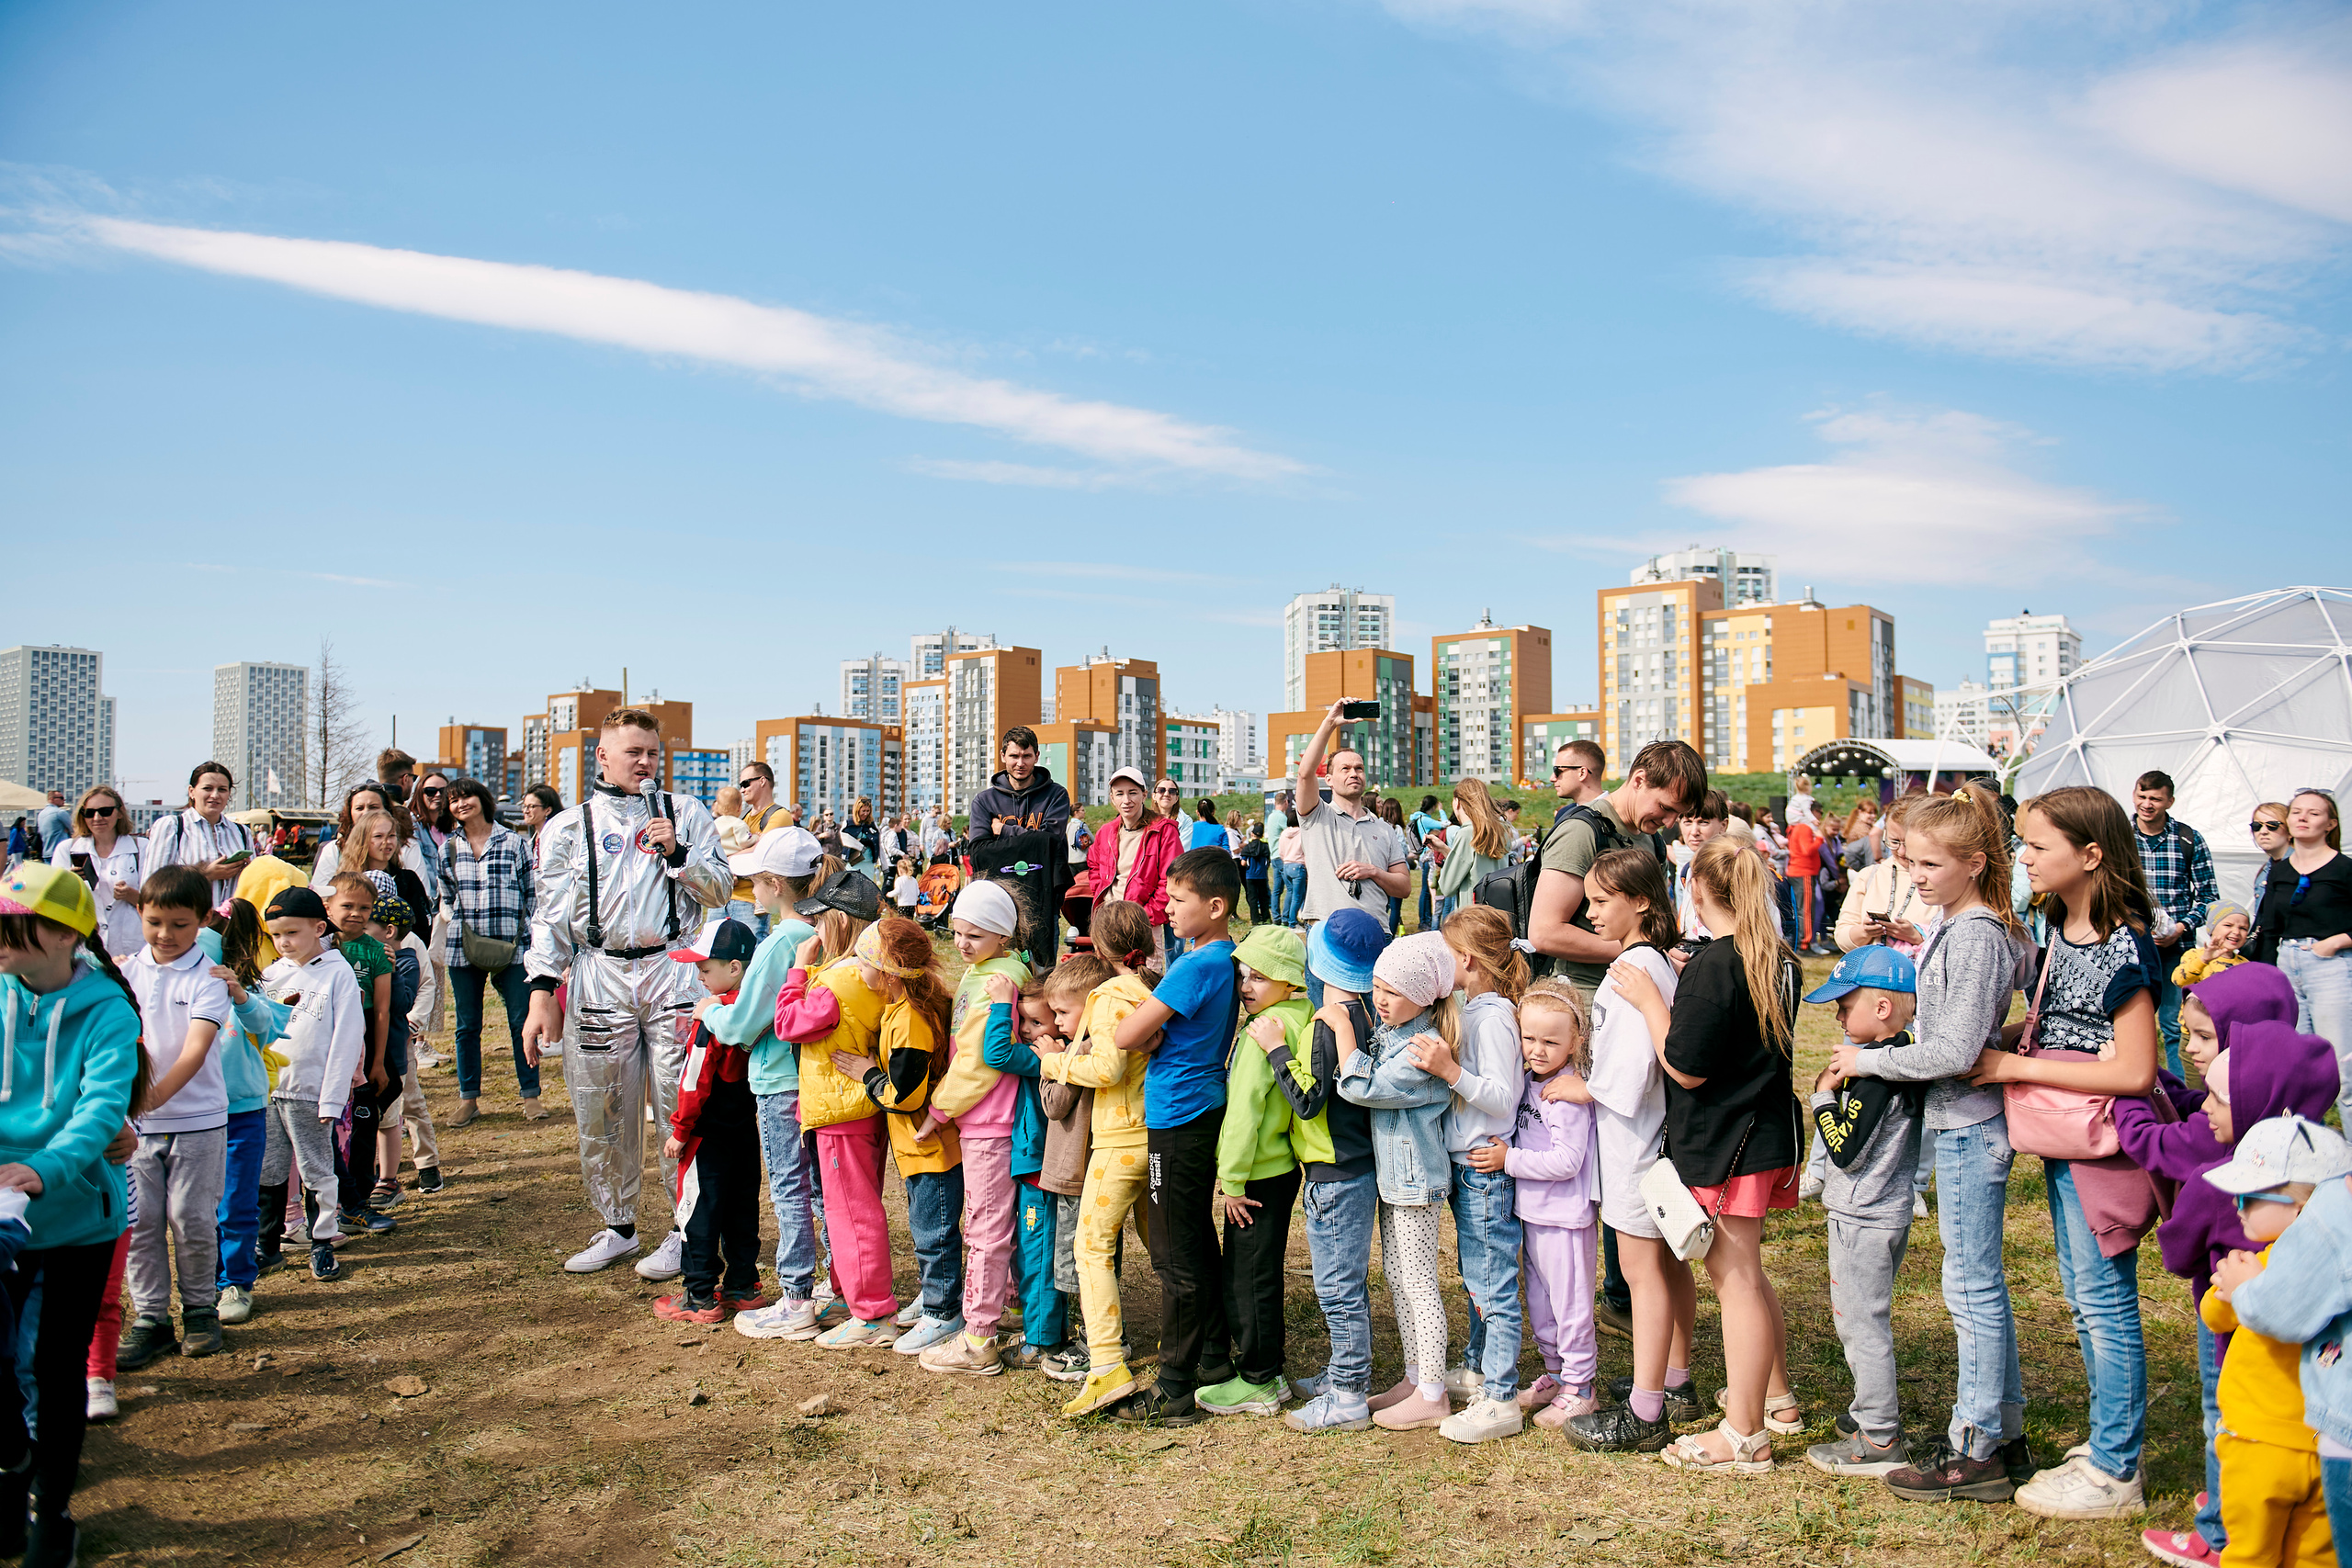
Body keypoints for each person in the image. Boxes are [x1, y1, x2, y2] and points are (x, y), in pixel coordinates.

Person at [1965, 785, 2162, 1519]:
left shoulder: (2122, 940)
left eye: (2038, 845)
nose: (2025, 857)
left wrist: (2015, 1065)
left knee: (2104, 1303)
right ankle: (2110, 1443)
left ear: (2090, 854)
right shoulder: (2063, 925)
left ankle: (2115, 1469)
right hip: (2064, 1134)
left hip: (2097, 1144)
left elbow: (2133, 1070)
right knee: (2084, 1300)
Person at [1839, 786, 2037, 1506]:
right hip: (1961, 1122)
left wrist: (1873, 1060)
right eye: (1907, 859)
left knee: (1971, 1286)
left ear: (1975, 862)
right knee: (1975, 1281)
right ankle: (2001, 1429)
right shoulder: (1964, 926)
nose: (1915, 875)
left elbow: (1953, 1047)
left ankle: (1976, 1442)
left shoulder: (1978, 931)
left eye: (1928, 863)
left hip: (1967, 1124)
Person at [1607, 834, 1804, 1473]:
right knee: (1749, 1271)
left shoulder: (1718, 965)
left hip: (1725, 1145)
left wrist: (1651, 1002)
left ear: (1696, 889)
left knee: (1736, 1279)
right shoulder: (1775, 957)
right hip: (1766, 1134)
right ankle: (1775, 1400)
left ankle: (1743, 1432)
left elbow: (1685, 1068)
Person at [2119, 968, 2326, 1567]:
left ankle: (2219, 1532)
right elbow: (2194, 1102)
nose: (2191, 1048)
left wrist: (2128, 1093)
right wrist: (2152, 1073)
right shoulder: (2297, 1127)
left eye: (2205, 1037)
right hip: (2292, 1310)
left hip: (2229, 1307)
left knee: (2227, 1415)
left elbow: (2178, 1233)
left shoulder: (2224, 1152)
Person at [518, 708, 732, 1279]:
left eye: (652, 753)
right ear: (603, 757)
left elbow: (721, 890)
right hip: (598, 974)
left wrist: (680, 854)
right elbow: (550, 917)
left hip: (671, 971)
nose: (644, 762)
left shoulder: (684, 813)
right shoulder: (567, 827)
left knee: (679, 1104)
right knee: (602, 1105)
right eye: (633, 752)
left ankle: (686, 1229)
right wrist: (543, 992)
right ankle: (617, 1225)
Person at [0, 862, 146, 1567]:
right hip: (1, 1214)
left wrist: (44, 1169)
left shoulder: (108, 1010)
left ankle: (51, 1514)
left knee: (55, 1367)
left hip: (75, 1218)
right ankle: (11, 1476)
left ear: (62, 934)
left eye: (11, 926)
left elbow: (100, 1110)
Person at [1562, 851, 1698, 1455]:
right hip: (1647, 1141)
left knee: (1644, 1275)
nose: (1588, 912)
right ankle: (1672, 1381)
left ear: (1640, 901)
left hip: (1635, 1144)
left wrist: (1580, 1085)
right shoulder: (1645, 963)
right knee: (1666, 1268)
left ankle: (1645, 1411)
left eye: (1599, 901)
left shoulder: (1634, 969)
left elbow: (1630, 1070)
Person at [1107, 847, 1242, 1424]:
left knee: (1173, 1255)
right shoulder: (1221, 958)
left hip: (1179, 1114)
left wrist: (1140, 1030)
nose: (1167, 904)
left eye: (1179, 898)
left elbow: (1125, 1033)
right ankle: (1213, 1356)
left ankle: (1175, 1384)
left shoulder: (1197, 964)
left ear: (1214, 906)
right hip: (1198, 1107)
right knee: (1189, 1240)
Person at [2199, 1113, 2352, 1568]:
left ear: (2305, 1208)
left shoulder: (2254, 1266)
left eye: (2249, 1196)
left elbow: (2213, 1313)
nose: (2238, 1207)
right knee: (2317, 1556)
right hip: (2320, 1442)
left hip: (2257, 1443)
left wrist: (2237, 1285)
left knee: (2251, 1553)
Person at [1255, 908, 1387, 1432]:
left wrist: (1274, 1050)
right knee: (1343, 1282)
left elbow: (1309, 1102)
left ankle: (1350, 1392)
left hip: (1334, 1170)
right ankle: (1340, 1373)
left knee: (1338, 1286)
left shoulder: (1324, 1025)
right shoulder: (1370, 1015)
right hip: (1358, 1163)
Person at [1801, 945, 1925, 1477]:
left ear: (1880, 1008)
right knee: (1865, 1319)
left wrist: (1822, 1099)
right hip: (1885, 1211)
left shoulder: (1876, 1075)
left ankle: (1878, 1436)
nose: (1837, 1015)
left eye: (1844, 1005)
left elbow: (1847, 1152)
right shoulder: (1900, 1057)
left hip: (1863, 1216)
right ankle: (1868, 1416)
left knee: (1861, 1326)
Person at [1413, 907, 1531, 1444]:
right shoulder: (1476, 1010)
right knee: (1475, 1277)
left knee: (1493, 1285)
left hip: (1484, 1171)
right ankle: (1480, 1368)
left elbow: (1503, 1099)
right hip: (1468, 1167)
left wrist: (1449, 1071)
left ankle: (1502, 1397)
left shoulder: (1495, 1018)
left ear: (1465, 959)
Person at [769, 873, 898, 1348]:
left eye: (819, 921)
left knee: (851, 1213)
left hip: (840, 1113)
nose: (813, 930)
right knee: (854, 1208)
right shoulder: (867, 974)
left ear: (838, 924)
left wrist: (797, 972)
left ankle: (873, 1314)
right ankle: (853, 1299)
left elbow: (788, 1023)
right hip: (860, 1108)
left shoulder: (837, 981)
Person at [1337, 930, 1458, 1434]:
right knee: (1398, 1279)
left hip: (1414, 1183)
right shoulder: (1396, 1032)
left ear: (1423, 996)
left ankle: (1432, 1392)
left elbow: (1364, 1087)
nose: (1380, 1000)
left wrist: (1343, 1031)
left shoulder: (1421, 1049)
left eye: (1393, 992)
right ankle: (1415, 1377)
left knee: (1418, 1284)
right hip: (1395, 1179)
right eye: (1377, 987)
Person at [712, 829, 829, 1342]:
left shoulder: (780, 940)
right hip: (820, 1077)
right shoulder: (825, 929)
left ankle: (797, 1294)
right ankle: (837, 1282)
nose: (748, 890)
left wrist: (710, 1013)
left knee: (789, 1184)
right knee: (823, 1187)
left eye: (754, 880)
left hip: (779, 1079)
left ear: (775, 884)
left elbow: (742, 1025)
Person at [1038, 914, 1157, 1416]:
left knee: (1090, 1250)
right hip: (1157, 1137)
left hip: (1120, 1140)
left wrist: (1054, 1062)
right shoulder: (1151, 989)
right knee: (1169, 1248)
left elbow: (1108, 1067)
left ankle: (1106, 1363)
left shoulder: (1109, 996)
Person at [117, 865, 234, 1366]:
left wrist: (145, 1100)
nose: (165, 935)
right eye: (155, 921)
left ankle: (201, 1310)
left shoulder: (210, 980)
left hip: (198, 1119)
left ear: (203, 920)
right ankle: (151, 1318)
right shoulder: (121, 973)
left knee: (190, 1219)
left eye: (180, 924)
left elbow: (194, 1052)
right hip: (132, 1130)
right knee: (141, 1222)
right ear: (140, 915)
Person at [916, 881, 1035, 1375]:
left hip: (988, 1119)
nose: (962, 943)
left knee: (984, 1228)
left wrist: (938, 1110)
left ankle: (978, 1338)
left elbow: (981, 1063)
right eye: (957, 931)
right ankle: (1005, 1305)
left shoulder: (993, 982)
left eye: (976, 935)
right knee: (997, 1224)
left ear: (1002, 936)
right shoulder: (989, 971)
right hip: (991, 1118)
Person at [1193, 922, 1311, 1418]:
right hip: (1280, 1169)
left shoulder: (1264, 1033)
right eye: (1244, 975)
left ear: (1289, 982)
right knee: (1257, 1271)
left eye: (1260, 978)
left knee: (1250, 1278)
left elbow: (1244, 1113)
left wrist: (1233, 1182)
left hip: (1257, 1177)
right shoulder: (1297, 1014)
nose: (1246, 987)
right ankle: (1266, 1371)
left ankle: (1261, 1379)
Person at [1485, 978, 1598, 1431]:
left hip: (1565, 1218)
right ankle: (1554, 1373)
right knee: (1540, 1301)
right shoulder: (1530, 1081)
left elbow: (1568, 1160)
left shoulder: (1567, 1093)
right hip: (1533, 1213)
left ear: (1576, 1041)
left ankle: (1580, 1386)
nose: (1537, 1049)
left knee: (1570, 1304)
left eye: (1551, 1041)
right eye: (1529, 1038)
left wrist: (1508, 1159)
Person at [653, 918, 768, 1323]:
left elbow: (694, 1077)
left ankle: (699, 1295)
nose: (699, 977)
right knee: (741, 1206)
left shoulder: (711, 1016)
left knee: (697, 1210)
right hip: (744, 1127)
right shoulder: (759, 1010)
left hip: (706, 1133)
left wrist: (680, 1129)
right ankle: (742, 1283)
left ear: (734, 968)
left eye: (705, 968)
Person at [1526, 739, 1702, 996]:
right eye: (1665, 808)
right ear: (1639, 780)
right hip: (1585, 999)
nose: (1670, 822)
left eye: (1678, 814)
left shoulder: (1651, 838)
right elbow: (1544, 933)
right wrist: (1641, 950)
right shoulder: (1581, 831)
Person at [254, 886, 366, 1283]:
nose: (284, 943)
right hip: (270, 1092)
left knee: (316, 1169)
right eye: (276, 935)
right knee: (269, 1171)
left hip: (310, 1093)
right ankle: (266, 1246)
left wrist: (332, 1098)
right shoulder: (271, 975)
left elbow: (348, 1038)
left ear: (318, 928)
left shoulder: (339, 974)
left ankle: (321, 1242)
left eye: (292, 933)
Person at [1290, 702, 1412, 998]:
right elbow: (1305, 774)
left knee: (1373, 1023)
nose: (1354, 773)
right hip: (1327, 934)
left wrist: (1373, 871)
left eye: (1359, 768)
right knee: (1328, 1024)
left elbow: (1404, 887)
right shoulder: (1316, 816)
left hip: (1375, 935)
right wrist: (1330, 723)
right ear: (1329, 780)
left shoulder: (1383, 829)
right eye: (1345, 768)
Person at [438, 777, 539, 1126]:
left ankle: (531, 1095)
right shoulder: (448, 847)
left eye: (466, 796)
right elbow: (446, 894)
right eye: (453, 800)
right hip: (463, 946)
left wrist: (532, 937)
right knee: (467, 1026)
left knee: (520, 1022)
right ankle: (469, 1099)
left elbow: (532, 893)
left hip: (512, 946)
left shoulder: (513, 841)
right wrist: (456, 919)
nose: (460, 804)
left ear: (482, 799)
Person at [2254, 789, 2352, 1125]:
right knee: (2298, 1070)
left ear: (2331, 823)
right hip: (2287, 965)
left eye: (2313, 813)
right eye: (2296, 812)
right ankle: (2311, 1159)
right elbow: (2269, 929)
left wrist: (2339, 940)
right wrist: (2266, 978)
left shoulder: (2344, 869)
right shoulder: (2279, 872)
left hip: (2332, 969)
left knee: (2342, 1070)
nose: (2303, 818)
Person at [966, 727, 1074, 968]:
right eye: (1014, 756)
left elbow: (1050, 842)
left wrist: (1003, 832)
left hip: (1043, 903)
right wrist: (1033, 841)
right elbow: (979, 853)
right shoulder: (984, 801)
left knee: (1041, 979)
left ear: (1036, 756)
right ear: (1003, 755)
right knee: (1001, 975)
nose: (1020, 763)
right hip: (998, 903)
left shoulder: (1055, 796)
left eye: (1026, 756)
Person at [2133, 771, 2219, 1076]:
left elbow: (2209, 897)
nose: (2147, 804)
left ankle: (2179, 1094)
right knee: (2127, 1020)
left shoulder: (2188, 839)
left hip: (2176, 947)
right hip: (2130, 946)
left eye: (2155, 798)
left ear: (2169, 800)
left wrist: (2181, 927)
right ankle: (2132, 1084)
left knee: (2173, 1022)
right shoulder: (2120, 838)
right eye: (2142, 796)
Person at [1088, 768, 1182, 968]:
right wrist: (1103, 900)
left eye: (1133, 792)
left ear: (1144, 795)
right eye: (1120, 794)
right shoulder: (1106, 832)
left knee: (1145, 983)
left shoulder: (1164, 830)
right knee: (1110, 981)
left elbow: (1172, 879)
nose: (1126, 800)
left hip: (1145, 923)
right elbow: (1094, 866)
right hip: (1110, 920)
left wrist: (1145, 916)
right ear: (1112, 798)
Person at [48, 785, 145, 959]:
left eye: (105, 811)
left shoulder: (142, 848)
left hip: (133, 946)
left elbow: (160, 904)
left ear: (120, 813)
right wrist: (70, 884)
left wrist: (131, 895)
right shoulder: (67, 850)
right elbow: (54, 904)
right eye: (90, 813)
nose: (97, 818)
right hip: (84, 946)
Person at [144, 761, 255, 908]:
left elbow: (254, 882)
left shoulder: (242, 832)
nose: (215, 795)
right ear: (192, 791)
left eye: (222, 789)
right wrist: (205, 875)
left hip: (232, 925)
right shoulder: (172, 827)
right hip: (189, 922)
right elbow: (152, 885)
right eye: (207, 788)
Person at [1835, 793, 1930, 956]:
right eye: (1894, 842)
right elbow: (1842, 936)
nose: (1901, 851)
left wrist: (1918, 936)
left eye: (1908, 843)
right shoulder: (1869, 876)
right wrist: (1864, 932)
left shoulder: (1944, 880)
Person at [1431, 777, 1510, 928]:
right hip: (1497, 916)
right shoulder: (1501, 830)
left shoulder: (1467, 833)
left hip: (1472, 919)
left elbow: (1447, 886)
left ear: (1458, 802)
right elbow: (1474, 864)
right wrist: (1446, 850)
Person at [2173, 900, 2253, 987]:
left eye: (2243, 928)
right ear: (2212, 929)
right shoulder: (2195, 955)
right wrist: (2203, 960)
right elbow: (2179, 981)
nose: (2236, 932)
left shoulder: (2245, 964)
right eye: (2228, 925)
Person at [1240, 820, 1272, 926]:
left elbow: (1243, 863)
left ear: (1252, 834)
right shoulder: (1265, 847)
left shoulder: (1247, 848)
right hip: (1262, 876)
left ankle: (1255, 919)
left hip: (1250, 876)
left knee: (1253, 898)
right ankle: (1266, 917)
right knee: (1263, 897)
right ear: (1262, 835)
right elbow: (1268, 862)